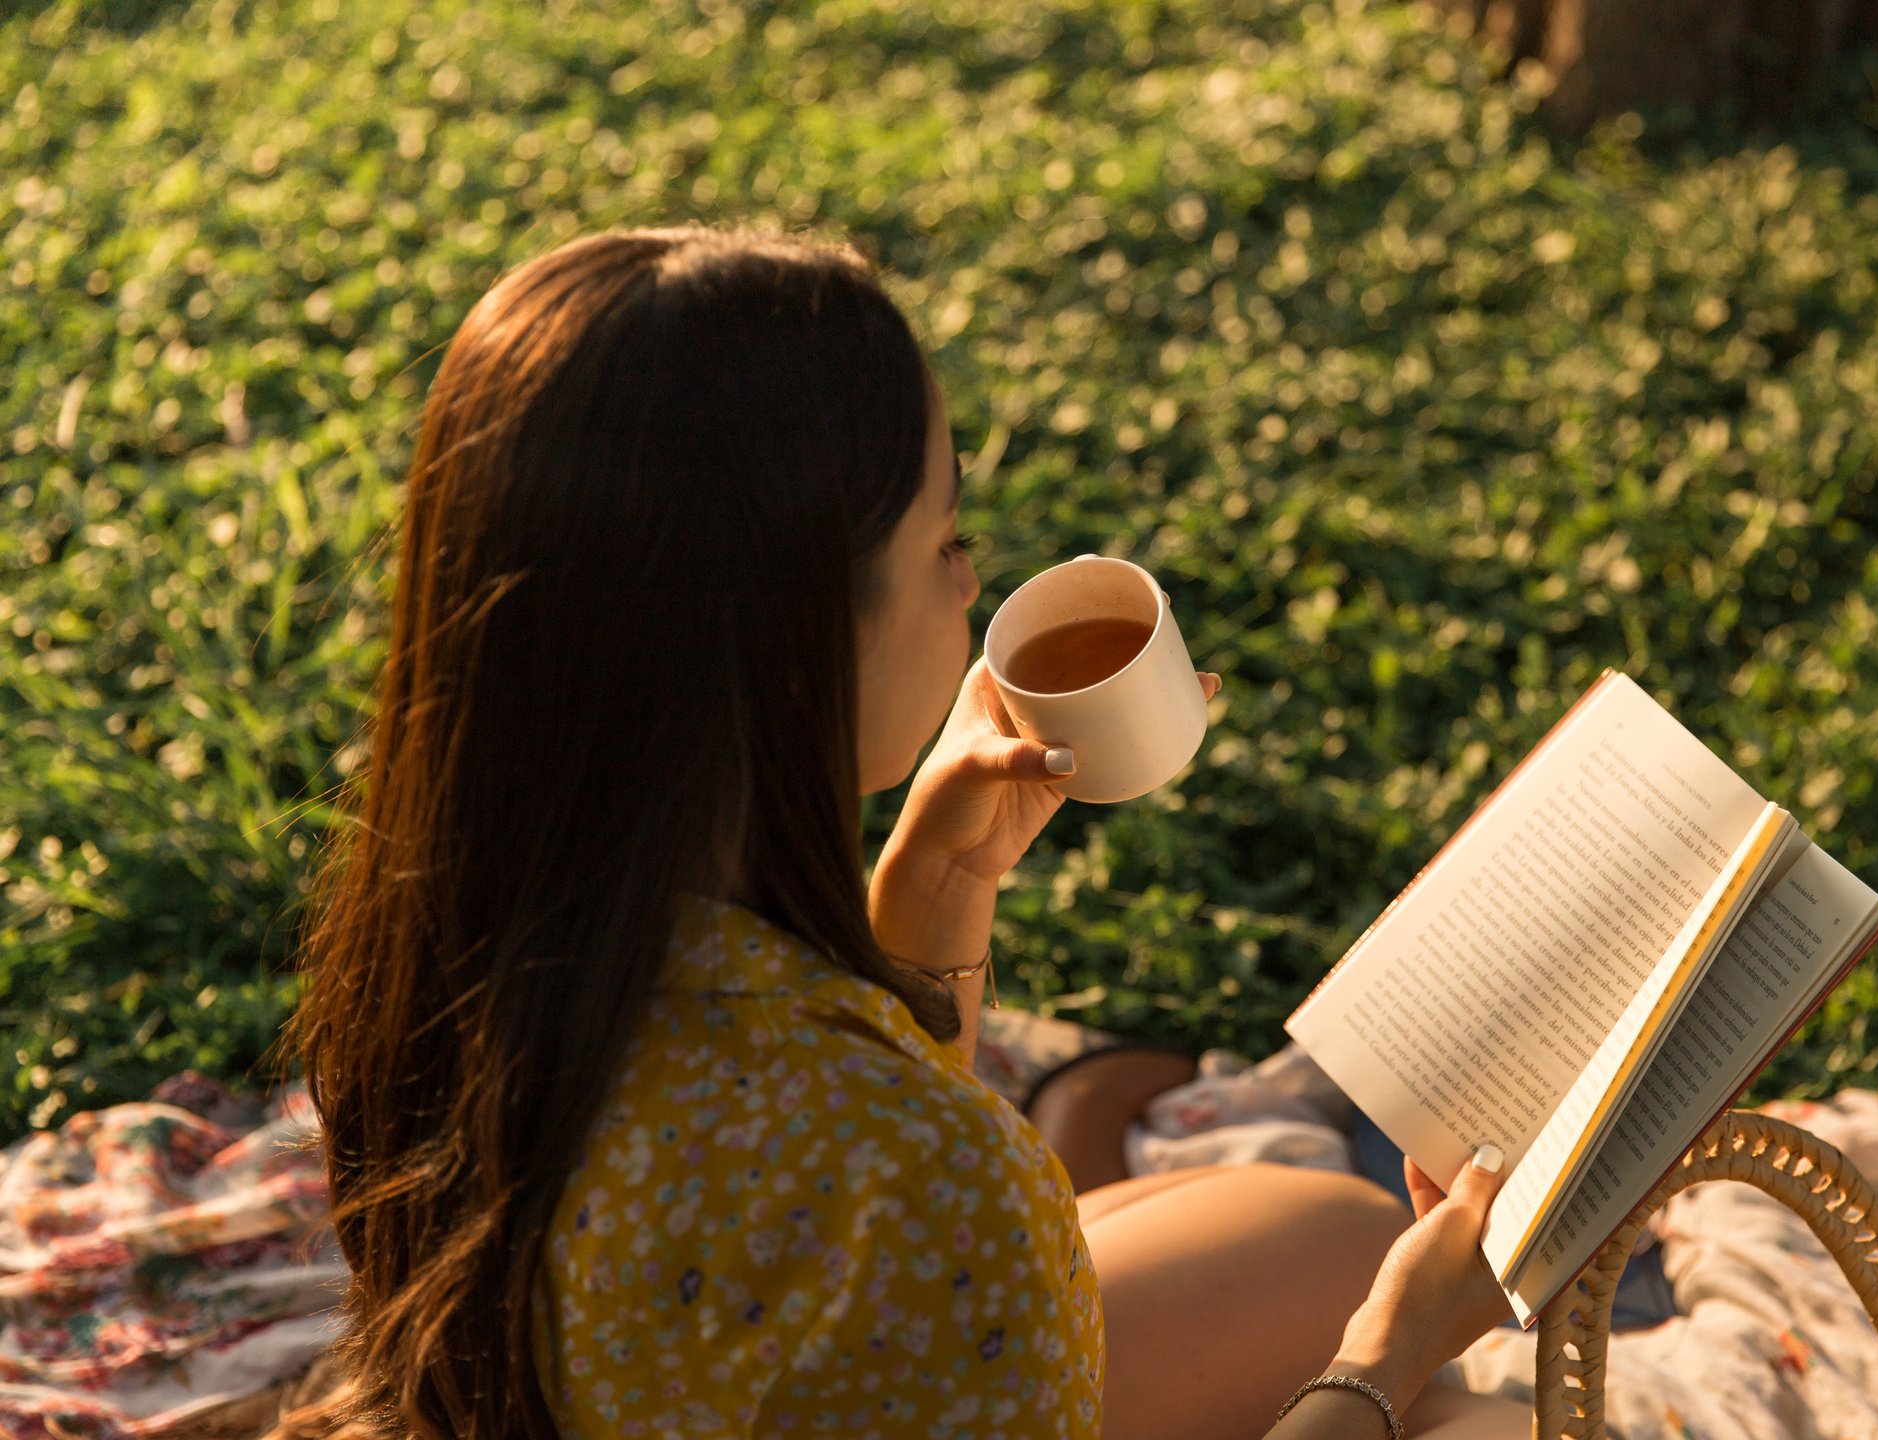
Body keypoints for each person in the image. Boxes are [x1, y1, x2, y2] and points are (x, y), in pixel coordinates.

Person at [282, 225, 1528, 1440]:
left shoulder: (446, 957)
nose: (971, 585)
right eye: (944, 540)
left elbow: (825, 1235)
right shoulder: (925, 1179)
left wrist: (936, 887)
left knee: (1328, 1239)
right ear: (801, 635)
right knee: (1457, 1411)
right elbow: (878, 1187)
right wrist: (1390, 1356)